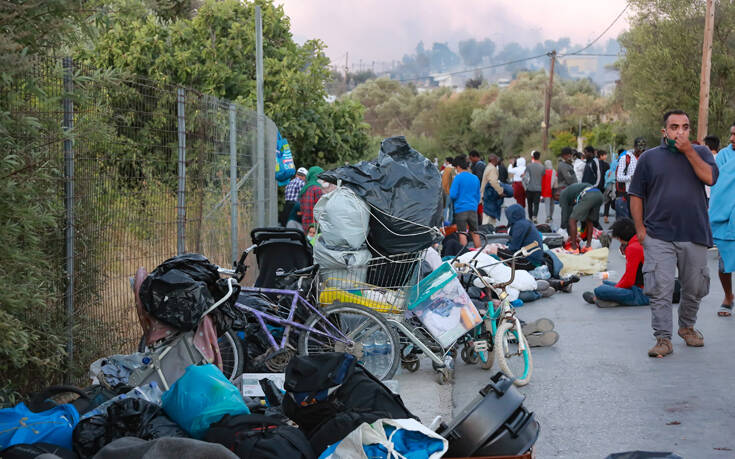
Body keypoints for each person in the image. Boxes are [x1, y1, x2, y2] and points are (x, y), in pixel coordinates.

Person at [629, 110, 718, 358]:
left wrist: (688, 150)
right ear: (664, 131)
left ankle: (687, 327)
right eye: (675, 126)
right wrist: (641, 231)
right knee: (660, 287)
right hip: (658, 235)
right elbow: (636, 195)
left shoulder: (700, 153)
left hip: (695, 233)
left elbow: (710, 178)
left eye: (685, 127)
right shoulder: (649, 158)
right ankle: (663, 338)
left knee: (695, 286)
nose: (680, 131)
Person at [582, 218, 649, 308]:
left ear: (621, 237)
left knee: (600, 290)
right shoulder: (640, 241)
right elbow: (630, 277)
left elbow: (629, 280)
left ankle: (597, 299)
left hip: (642, 294)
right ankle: (610, 298)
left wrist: (615, 289)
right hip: (647, 288)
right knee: (605, 283)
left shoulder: (633, 248)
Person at [710, 123, 735, 317]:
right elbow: (718, 187)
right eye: (731, 134)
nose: (732, 139)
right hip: (726, 217)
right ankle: (728, 295)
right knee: (724, 263)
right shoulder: (724, 157)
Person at [496, 204, 544, 271]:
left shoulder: (519, 225)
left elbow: (513, 248)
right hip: (535, 260)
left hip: (529, 262)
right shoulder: (525, 223)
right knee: (500, 252)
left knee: (497, 253)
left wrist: (499, 250)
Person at [449, 154, 482, 249]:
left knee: (462, 233)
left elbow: (453, 195)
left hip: (461, 210)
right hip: (472, 209)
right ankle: (479, 253)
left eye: (456, 167)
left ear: (458, 166)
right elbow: (478, 195)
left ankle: (463, 254)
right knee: (475, 233)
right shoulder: (475, 178)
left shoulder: (458, 178)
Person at [560, 182, 603, 250]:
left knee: (572, 220)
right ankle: (588, 246)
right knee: (589, 221)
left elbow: (565, 214)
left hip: (589, 195)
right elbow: (581, 214)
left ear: (557, 195)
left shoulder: (562, 195)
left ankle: (574, 247)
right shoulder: (572, 191)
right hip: (599, 195)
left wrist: (563, 229)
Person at [616, 137, 647, 216]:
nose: (641, 151)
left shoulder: (646, 157)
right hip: (630, 194)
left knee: (643, 217)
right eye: (639, 149)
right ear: (634, 147)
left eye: (642, 149)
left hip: (644, 194)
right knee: (632, 218)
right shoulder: (625, 158)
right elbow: (619, 177)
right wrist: (630, 177)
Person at [480, 154, 507, 226]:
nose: (498, 160)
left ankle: (489, 233)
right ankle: (487, 234)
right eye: (497, 159)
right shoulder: (492, 169)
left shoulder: (488, 167)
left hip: (486, 195)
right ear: (493, 160)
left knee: (489, 217)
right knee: (489, 218)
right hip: (488, 196)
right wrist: (500, 192)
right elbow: (493, 182)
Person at [299, 166, 325, 231]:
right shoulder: (317, 189)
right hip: (314, 228)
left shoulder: (305, 188)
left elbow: (304, 210)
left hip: (306, 225)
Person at [523, 151, 544, 223]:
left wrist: (525, 186)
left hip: (529, 188)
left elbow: (525, 176)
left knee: (529, 204)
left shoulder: (529, 166)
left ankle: (530, 217)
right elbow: (543, 176)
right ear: (539, 157)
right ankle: (535, 216)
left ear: (533, 157)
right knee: (536, 203)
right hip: (538, 188)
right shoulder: (542, 167)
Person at [703, 135, 719, 202]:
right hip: (717, 194)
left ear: (707, 146)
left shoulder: (704, 160)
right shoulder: (721, 158)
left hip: (706, 195)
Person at [599, 151, 614, 223]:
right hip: (606, 185)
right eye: (605, 155)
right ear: (601, 156)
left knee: (603, 201)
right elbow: (609, 175)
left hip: (599, 185)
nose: (606, 156)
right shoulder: (606, 165)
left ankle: (604, 216)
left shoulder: (596, 164)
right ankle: (605, 216)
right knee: (607, 201)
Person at [541, 159, 557, 224]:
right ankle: (551, 216)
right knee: (552, 204)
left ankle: (548, 216)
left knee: (547, 204)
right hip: (553, 190)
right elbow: (555, 180)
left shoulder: (543, 171)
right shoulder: (554, 171)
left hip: (545, 190)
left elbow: (541, 181)